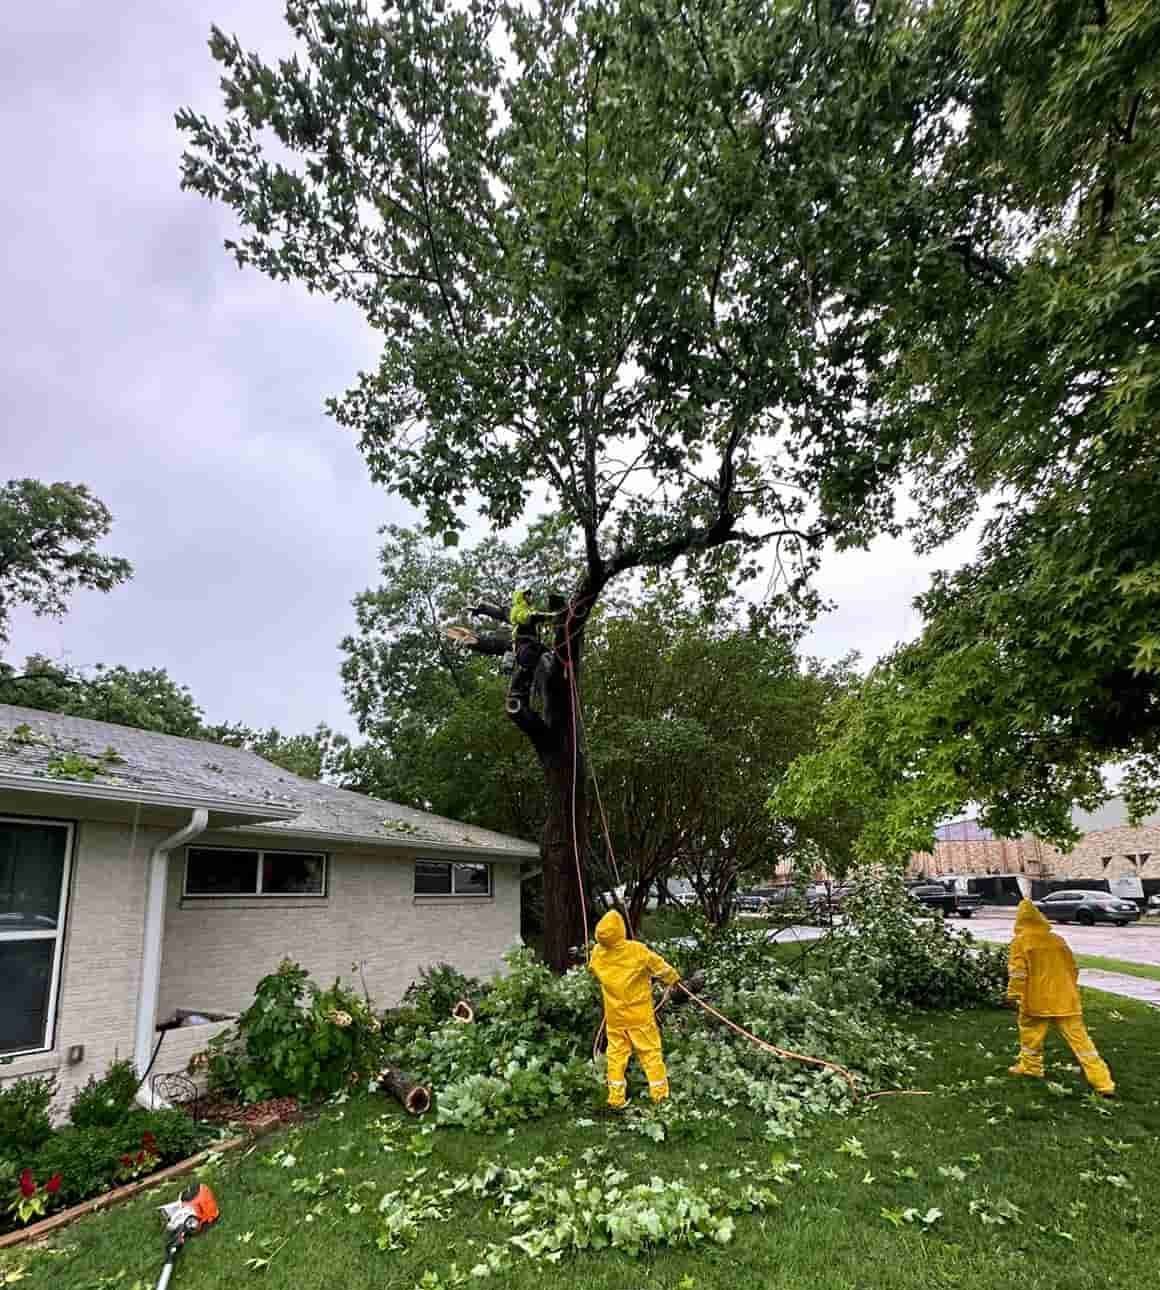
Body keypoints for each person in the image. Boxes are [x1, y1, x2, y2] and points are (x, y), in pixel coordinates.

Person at [1005, 899, 1115, 1097]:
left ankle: (1031, 1067)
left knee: (1030, 1036)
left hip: (1036, 1000)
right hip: (1066, 999)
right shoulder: (1057, 940)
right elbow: (1073, 968)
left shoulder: (1021, 942)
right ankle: (1103, 1082)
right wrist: (1068, 989)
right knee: (1082, 1042)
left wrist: (1013, 995)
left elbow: (1018, 973)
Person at [589, 910, 680, 1109]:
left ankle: (615, 1098)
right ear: (621, 930)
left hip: (615, 1018)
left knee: (616, 1056)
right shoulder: (637, 951)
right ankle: (660, 1096)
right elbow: (660, 967)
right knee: (650, 1054)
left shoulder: (597, 953)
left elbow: (593, 968)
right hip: (640, 1017)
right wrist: (673, 978)